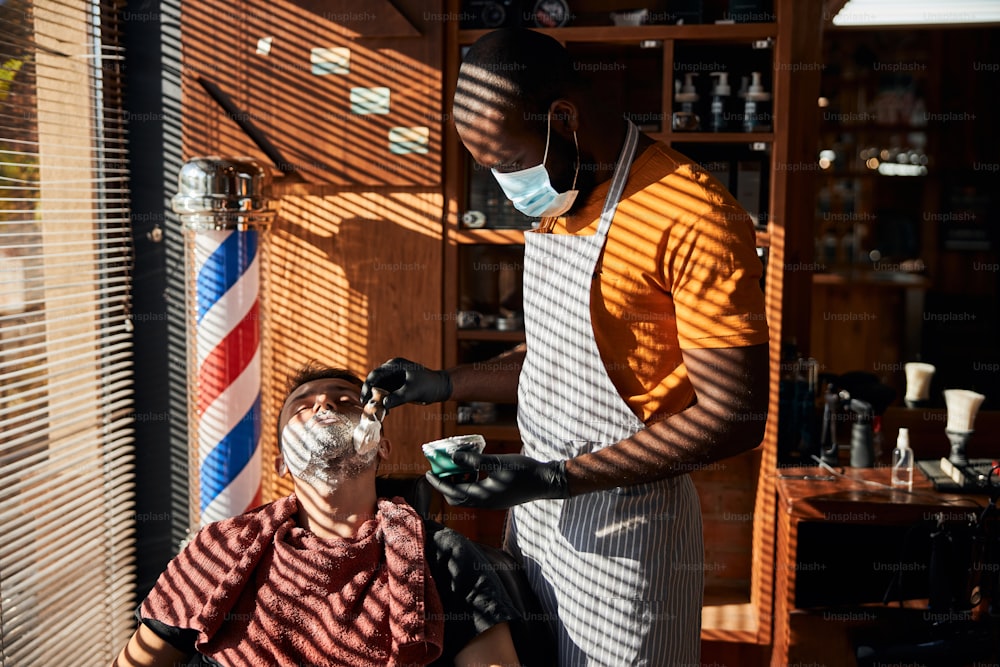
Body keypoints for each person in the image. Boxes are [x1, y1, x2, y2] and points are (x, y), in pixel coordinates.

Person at [362, 27, 770, 666]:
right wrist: (446, 382)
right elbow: (562, 358)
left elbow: (736, 416)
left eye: (506, 160)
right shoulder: (564, 199)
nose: (504, 184)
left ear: (563, 119)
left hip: (629, 537)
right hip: (540, 522)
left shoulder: (693, 213)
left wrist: (556, 477)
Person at [112, 364, 523, 667]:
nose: (324, 404)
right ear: (282, 464)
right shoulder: (218, 552)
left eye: (346, 401)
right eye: (301, 408)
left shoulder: (444, 560)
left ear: (379, 445)